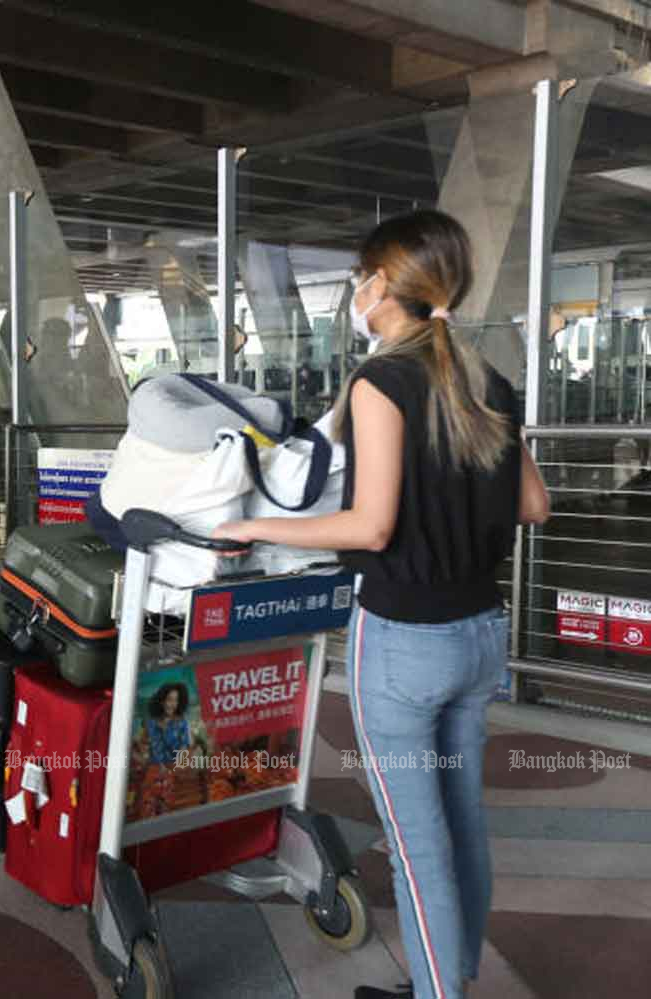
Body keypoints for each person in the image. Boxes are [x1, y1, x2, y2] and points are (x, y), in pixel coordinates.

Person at [211, 211, 552, 999]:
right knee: (460, 820)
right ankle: (451, 973)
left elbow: (371, 523)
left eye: (362, 279)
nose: (356, 293)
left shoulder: (381, 380)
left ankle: (439, 992)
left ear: (382, 286)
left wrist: (252, 523)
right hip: (480, 635)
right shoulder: (482, 376)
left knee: (414, 842)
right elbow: (535, 503)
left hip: (403, 639)